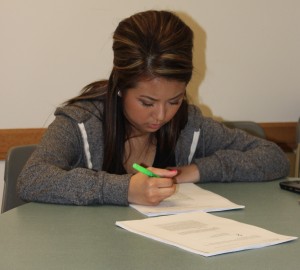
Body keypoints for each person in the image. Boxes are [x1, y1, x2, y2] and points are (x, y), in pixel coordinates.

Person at [17, 10, 289, 207]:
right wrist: (124, 189)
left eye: (175, 100)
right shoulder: (81, 123)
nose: (161, 115)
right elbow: (32, 179)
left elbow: (273, 158)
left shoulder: (188, 125)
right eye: (147, 103)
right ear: (121, 87)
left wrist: (191, 171)